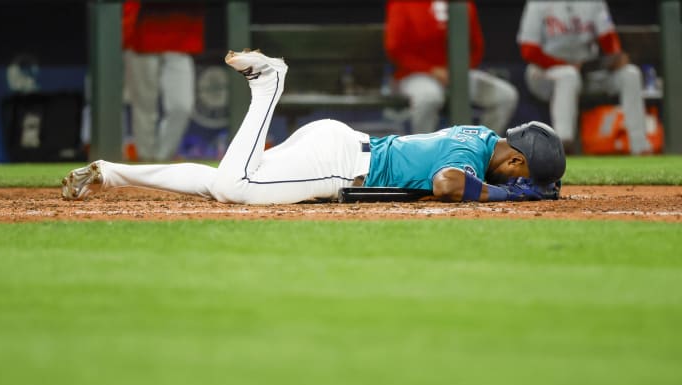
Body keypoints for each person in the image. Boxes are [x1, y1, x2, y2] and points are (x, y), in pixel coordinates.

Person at [61, 49, 565, 205]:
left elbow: (469, 171)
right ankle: (269, 85)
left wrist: (521, 187)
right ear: (515, 159)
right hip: (339, 165)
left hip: (336, 143)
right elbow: (447, 184)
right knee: (237, 187)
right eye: (523, 175)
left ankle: (111, 172)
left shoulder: (479, 136)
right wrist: (513, 198)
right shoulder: (474, 158)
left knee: (222, 182)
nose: (520, 181)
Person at [517, 0, 650, 155]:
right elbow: (529, 51)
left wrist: (615, 56)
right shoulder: (538, 4)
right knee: (569, 75)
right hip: (544, 72)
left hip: (585, 71)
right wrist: (565, 64)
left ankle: (640, 147)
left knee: (630, 74)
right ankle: (562, 145)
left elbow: (608, 37)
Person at [384, 0, 519, 135]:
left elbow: (476, 47)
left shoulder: (464, 4)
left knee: (506, 95)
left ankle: (480, 148)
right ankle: (423, 152)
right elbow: (395, 49)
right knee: (429, 97)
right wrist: (431, 70)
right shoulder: (402, 3)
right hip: (415, 74)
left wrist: (458, 70)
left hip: (457, 73)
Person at [123, 1, 205, 161]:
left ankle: (162, 159)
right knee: (144, 107)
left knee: (182, 106)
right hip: (141, 36)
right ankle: (145, 160)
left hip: (181, 36)